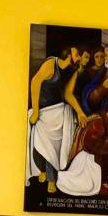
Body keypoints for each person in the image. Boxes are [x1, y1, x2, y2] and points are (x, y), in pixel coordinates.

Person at [26, 45, 89, 185]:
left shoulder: (72, 72)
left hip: (58, 112)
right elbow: (35, 82)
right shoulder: (51, 63)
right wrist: (35, 110)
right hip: (42, 112)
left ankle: (51, 180)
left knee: (53, 148)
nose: (78, 57)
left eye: (80, 56)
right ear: (69, 51)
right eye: (77, 53)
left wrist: (80, 112)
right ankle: (42, 171)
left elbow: (67, 94)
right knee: (38, 144)